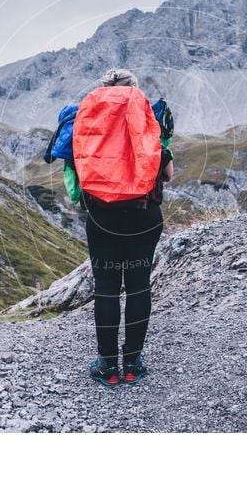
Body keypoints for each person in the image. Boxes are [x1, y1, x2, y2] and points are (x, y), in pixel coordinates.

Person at [84, 68, 173, 386]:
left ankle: (107, 366)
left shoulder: (90, 114)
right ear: (135, 90)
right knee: (138, 285)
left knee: (106, 287)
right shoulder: (149, 113)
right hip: (143, 214)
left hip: (101, 215)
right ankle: (133, 362)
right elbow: (166, 174)